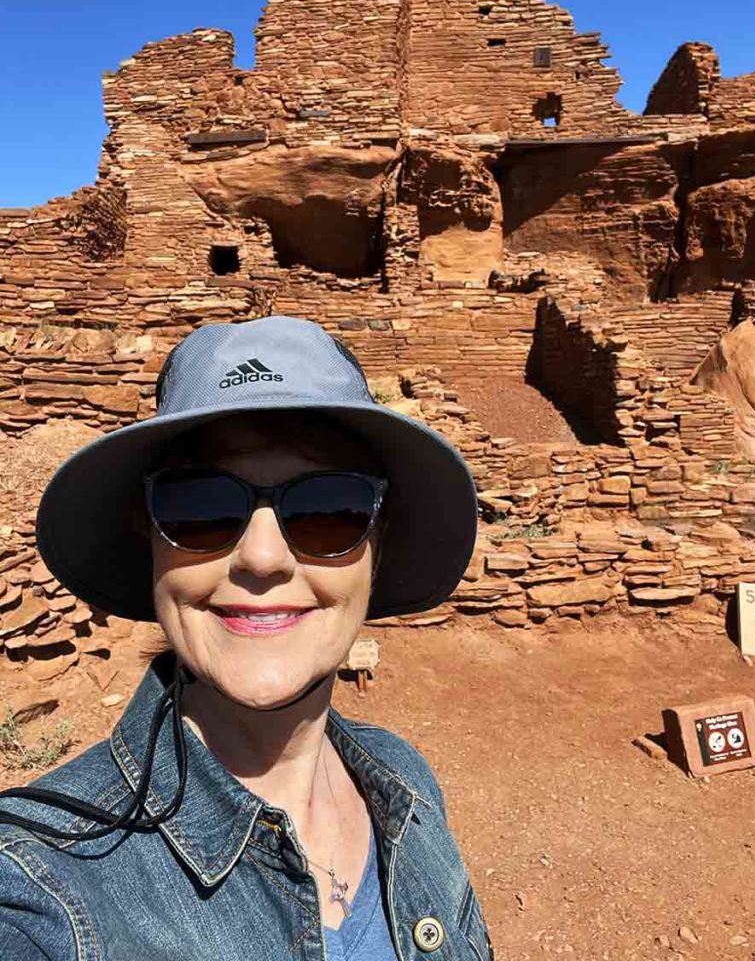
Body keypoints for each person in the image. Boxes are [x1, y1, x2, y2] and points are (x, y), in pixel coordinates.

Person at [0, 316, 493, 961]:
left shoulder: (404, 785)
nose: (262, 558)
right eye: (200, 507)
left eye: (329, 509)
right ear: (147, 537)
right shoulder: (45, 887)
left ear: (379, 544)